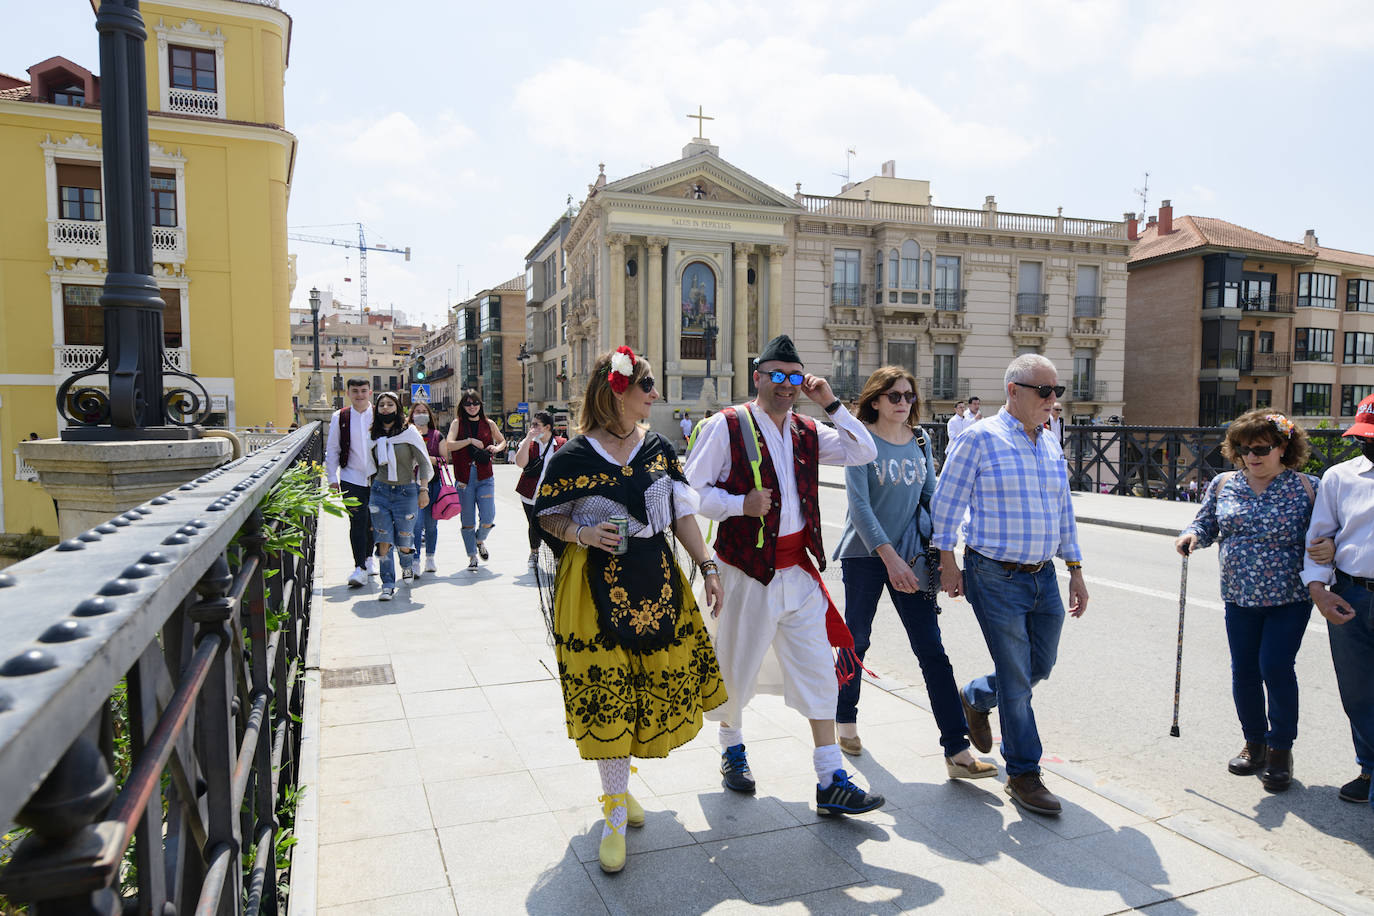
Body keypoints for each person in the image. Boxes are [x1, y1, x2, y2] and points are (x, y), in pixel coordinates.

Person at [533, 346, 726, 874]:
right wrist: (582, 532)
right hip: (591, 587)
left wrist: (708, 568)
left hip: (654, 579)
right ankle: (615, 809)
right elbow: (547, 517)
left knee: (641, 686)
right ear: (619, 391)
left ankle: (619, 786)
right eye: (646, 387)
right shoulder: (572, 455)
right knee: (608, 686)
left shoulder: (659, 448)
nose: (654, 396)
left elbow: (683, 515)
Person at [685, 333, 886, 817]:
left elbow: (865, 451)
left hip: (798, 572)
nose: (786, 385)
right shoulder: (726, 425)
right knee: (736, 668)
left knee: (820, 673)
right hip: (746, 573)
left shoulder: (808, 431)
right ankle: (732, 749)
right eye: (776, 375)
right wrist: (739, 505)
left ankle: (830, 778)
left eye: (794, 377)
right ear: (757, 377)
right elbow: (689, 492)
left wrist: (831, 403)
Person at [930, 354, 1088, 817]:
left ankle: (976, 695)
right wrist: (947, 561)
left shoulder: (1051, 442)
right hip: (994, 575)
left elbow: (1064, 511)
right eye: (1045, 391)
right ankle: (1023, 772)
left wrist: (1075, 568)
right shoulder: (980, 438)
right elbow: (947, 502)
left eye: (1057, 391)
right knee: (1018, 678)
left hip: (1044, 575)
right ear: (1014, 391)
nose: (1053, 400)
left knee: (1041, 663)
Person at [833, 366, 997, 780]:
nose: (903, 402)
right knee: (857, 640)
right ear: (875, 401)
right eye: (894, 396)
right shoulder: (860, 440)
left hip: (913, 558)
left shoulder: (921, 440)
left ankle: (957, 751)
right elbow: (860, 508)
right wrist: (889, 560)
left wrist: (946, 558)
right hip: (865, 555)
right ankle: (845, 720)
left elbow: (932, 498)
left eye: (908, 395)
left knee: (932, 652)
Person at [1175, 411, 1325, 791]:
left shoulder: (1308, 488)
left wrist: (1330, 545)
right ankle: (1254, 742)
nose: (1250, 457)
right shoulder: (1225, 484)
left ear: (1283, 447)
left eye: (1260, 449)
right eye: (1243, 449)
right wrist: (1191, 536)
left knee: (1274, 667)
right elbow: (1205, 523)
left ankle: (1279, 749)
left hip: (1288, 597)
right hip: (1238, 597)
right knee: (1244, 670)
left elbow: (1329, 532)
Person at [1303, 394, 1374, 811]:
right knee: (1358, 691)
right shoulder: (1339, 477)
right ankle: (1367, 768)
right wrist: (1319, 590)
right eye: (1364, 437)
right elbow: (1318, 538)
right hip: (1350, 595)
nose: (1368, 446)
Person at [366, 392, 433, 601]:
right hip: (380, 491)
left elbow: (423, 462)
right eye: (381, 405)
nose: (385, 408)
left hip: (407, 492)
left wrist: (424, 490)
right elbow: (370, 466)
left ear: (397, 407)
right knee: (383, 539)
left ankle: (406, 565)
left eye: (389, 404)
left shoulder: (409, 432)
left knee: (405, 540)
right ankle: (387, 584)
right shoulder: (373, 435)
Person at [443, 390, 505, 571]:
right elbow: (449, 444)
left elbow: (502, 441)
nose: (472, 407)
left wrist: (496, 447)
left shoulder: (489, 423)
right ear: (463, 406)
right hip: (464, 477)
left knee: (488, 517)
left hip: (485, 475)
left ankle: (479, 540)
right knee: (467, 519)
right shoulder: (457, 423)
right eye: (468, 404)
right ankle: (472, 556)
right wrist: (470, 440)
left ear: (480, 405)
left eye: (475, 403)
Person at [325, 377, 375, 588]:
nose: (359, 395)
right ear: (348, 393)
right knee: (357, 521)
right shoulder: (340, 417)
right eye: (355, 391)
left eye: (363, 391)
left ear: (370, 392)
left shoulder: (379, 414)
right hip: (350, 477)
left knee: (373, 522)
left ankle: (369, 558)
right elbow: (333, 448)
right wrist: (331, 478)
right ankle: (359, 567)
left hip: (377, 478)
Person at [515, 411, 565, 568]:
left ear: (547, 427)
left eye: (536, 425)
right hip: (530, 493)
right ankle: (534, 553)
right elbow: (520, 463)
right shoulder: (529, 442)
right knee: (534, 524)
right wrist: (529, 438)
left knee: (553, 525)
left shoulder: (561, 443)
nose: (532, 427)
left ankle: (557, 556)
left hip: (553, 495)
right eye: (532, 424)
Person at [408, 403, 445, 576]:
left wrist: (425, 458)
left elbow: (444, 459)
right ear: (412, 414)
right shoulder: (406, 433)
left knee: (431, 524)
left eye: (424, 412)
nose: (421, 415)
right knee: (416, 525)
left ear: (429, 415)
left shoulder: (437, 435)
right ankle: (415, 560)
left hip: (433, 484)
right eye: (417, 412)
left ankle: (430, 557)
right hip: (413, 484)